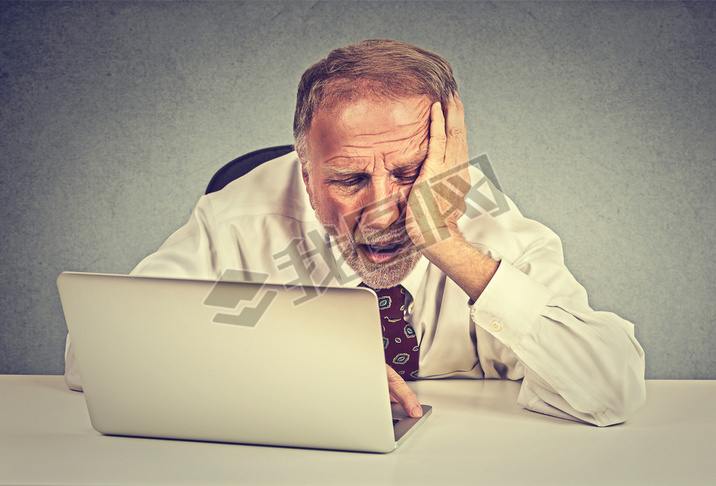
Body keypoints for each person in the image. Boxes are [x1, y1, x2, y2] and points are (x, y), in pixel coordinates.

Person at [64, 39, 646, 426]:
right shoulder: (239, 216)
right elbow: (94, 356)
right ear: (306, 169)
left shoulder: (494, 227)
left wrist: (450, 248)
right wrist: (304, 365)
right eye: (348, 178)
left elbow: (610, 389)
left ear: (450, 160)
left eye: (410, 172)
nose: (383, 210)